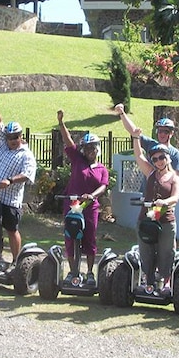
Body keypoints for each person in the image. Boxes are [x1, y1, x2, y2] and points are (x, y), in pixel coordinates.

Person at [0, 94, 37, 271]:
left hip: (11, 199)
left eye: (16, 137)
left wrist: (10, 180)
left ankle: (16, 262)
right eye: (10, 137)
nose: (13, 140)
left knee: (11, 230)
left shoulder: (26, 154)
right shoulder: (3, 145)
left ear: (21, 136)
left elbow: (28, 175)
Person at [56, 110, 109, 286]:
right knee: (71, 237)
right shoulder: (77, 159)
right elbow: (68, 141)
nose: (90, 151)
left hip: (90, 207)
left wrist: (92, 196)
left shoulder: (101, 168)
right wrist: (61, 123)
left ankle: (90, 273)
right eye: (87, 148)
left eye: (93, 147)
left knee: (89, 238)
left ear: (98, 149)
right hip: (72, 205)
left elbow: (103, 186)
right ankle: (72, 272)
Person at [132, 132, 179, 295]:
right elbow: (139, 155)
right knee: (145, 251)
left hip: (166, 220)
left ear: (168, 158)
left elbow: (176, 196)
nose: (158, 161)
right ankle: (149, 281)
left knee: (165, 252)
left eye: (161, 157)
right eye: (154, 159)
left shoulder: (174, 177)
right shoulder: (150, 173)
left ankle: (166, 282)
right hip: (146, 219)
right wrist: (136, 138)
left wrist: (165, 202)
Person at [114, 103, 179, 173]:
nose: (162, 134)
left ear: (171, 133)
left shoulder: (175, 154)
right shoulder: (151, 145)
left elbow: (176, 178)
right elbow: (134, 132)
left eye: (166, 131)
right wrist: (122, 113)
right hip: (149, 182)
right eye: (160, 131)